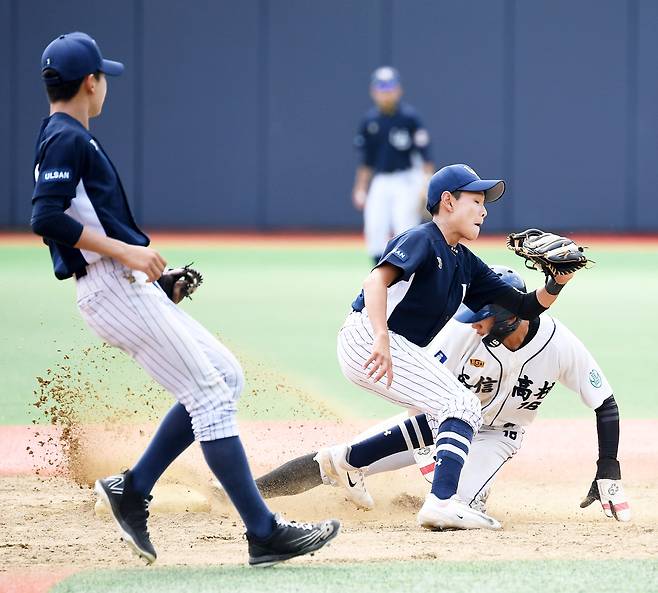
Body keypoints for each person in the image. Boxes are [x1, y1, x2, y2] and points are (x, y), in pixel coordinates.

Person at [30, 31, 339, 567]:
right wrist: (127, 253)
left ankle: (133, 487)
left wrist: (153, 274)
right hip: (109, 285)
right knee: (212, 398)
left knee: (225, 377)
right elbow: (46, 216)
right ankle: (263, 532)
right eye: (103, 77)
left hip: (121, 285)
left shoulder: (65, 134)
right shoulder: (66, 136)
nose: (106, 86)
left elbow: (76, 216)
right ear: (90, 82)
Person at [253, 265, 630, 525]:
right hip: (439, 423)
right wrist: (430, 441)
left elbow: (606, 404)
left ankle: (424, 497)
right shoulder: (464, 333)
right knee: (343, 460)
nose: (476, 325)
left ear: (511, 314)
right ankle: (249, 492)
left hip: (498, 436)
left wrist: (607, 466)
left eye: (483, 316)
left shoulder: (560, 345)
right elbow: (423, 389)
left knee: (459, 507)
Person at [324, 162, 580, 531]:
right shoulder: (422, 239)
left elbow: (523, 307)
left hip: (393, 346)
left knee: (444, 414)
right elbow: (374, 281)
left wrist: (557, 283)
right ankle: (442, 503)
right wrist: (380, 336)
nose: (484, 210)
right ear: (448, 201)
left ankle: (348, 463)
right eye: (476, 200)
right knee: (461, 404)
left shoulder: (465, 262)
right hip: (367, 336)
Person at [352, 66, 435, 264]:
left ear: (399, 90)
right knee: (374, 226)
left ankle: (408, 275)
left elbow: (425, 156)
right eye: (381, 87)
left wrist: (427, 185)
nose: (385, 92)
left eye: (390, 87)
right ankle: (379, 275)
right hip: (381, 180)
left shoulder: (409, 118)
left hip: (406, 179)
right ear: (373, 91)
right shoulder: (370, 120)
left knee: (405, 228)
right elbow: (367, 161)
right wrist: (360, 188)